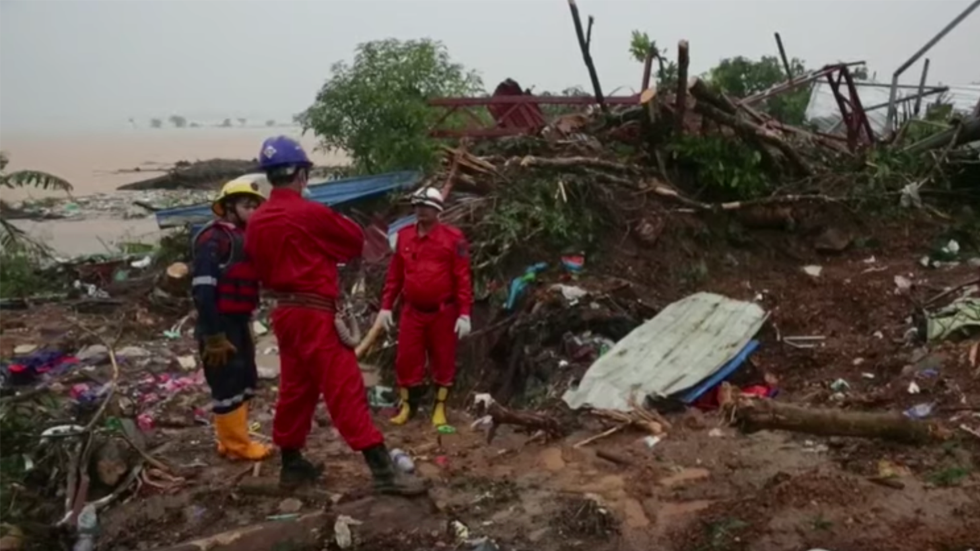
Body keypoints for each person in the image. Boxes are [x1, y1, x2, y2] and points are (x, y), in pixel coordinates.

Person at [244, 135, 426, 495]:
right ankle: (383, 471)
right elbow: (352, 242)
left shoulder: (257, 220)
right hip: (314, 314)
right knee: (345, 388)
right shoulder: (310, 213)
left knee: (296, 390)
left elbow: (257, 265)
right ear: (300, 174)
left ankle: (292, 464)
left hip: (285, 314)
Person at [377, 187, 473, 427]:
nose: (421, 211)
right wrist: (386, 307)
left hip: (443, 312)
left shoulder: (454, 239)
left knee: (444, 361)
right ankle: (408, 408)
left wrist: (464, 313)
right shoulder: (404, 236)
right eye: (417, 206)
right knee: (407, 361)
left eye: (426, 207)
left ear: (437, 209)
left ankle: (439, 408)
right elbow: (394, 276)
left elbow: (462, 278)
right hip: (412, 312)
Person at [191, 178, 271, 461]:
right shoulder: (214, 238)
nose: (252, 211)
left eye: (255, 206)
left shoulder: (242, 237)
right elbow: (203, 289)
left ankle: (231, 439)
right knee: (226, 383)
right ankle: (237, 446)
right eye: (246, 205)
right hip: (219, 323)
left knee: (244, 378)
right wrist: (213, 335)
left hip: (238, 320)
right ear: (228, 207)